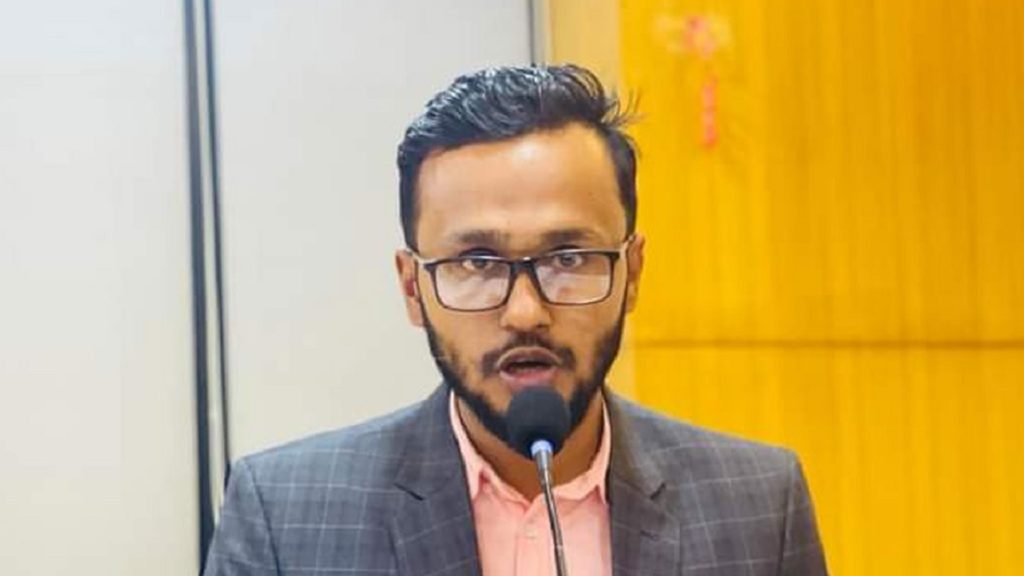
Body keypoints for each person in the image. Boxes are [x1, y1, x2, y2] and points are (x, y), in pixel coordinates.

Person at [203, 64, 828, 576]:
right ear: (413, 287)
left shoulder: (757, 505)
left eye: (568, 258)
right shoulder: (285, 516)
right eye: (477, 263)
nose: (526, 312)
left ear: (632, 272)